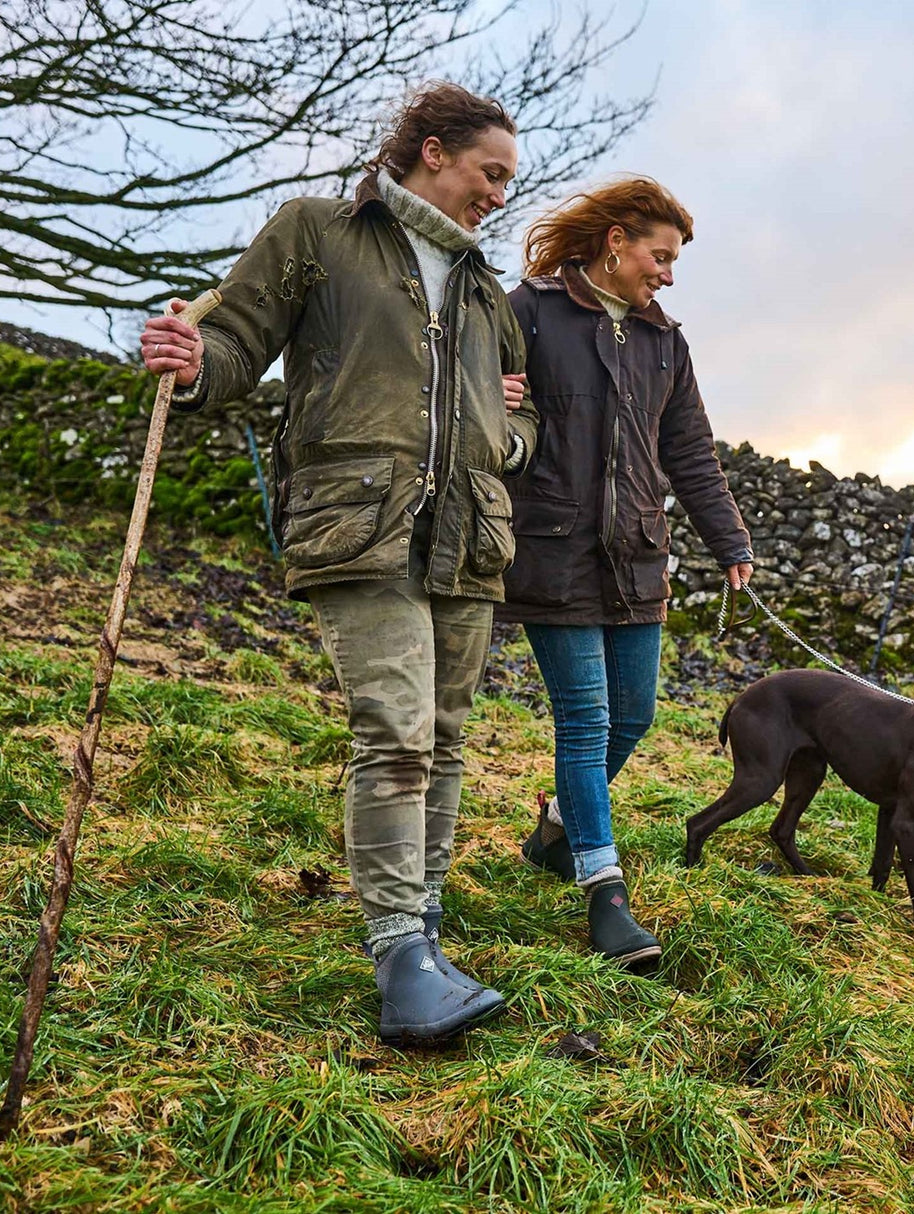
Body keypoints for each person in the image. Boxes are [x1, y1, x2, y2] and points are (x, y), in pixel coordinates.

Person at [138, 82, 538, 1046]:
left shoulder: (485, 289)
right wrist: (193, 364)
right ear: (432, 151)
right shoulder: (317, 230)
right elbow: (237, 341)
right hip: (358, 522)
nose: (499, 195)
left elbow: (518, 408)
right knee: (395, 728)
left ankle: (429, 936)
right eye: (491, 173)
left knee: (444, 735)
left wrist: (508, 436)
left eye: (508, 182)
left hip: (470, 533)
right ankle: (401, 953)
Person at [496, 177, 753, 972]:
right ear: (616, 241)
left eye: (673, 261)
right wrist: (490, 394)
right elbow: (469, 402)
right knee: (584, 722)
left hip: (639, 555)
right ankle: (605, 893)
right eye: (660, 255)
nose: (667, 274)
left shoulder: (664, 343)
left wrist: (729, 540)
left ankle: (558, 824)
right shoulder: (529, 309)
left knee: (634, 716)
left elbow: (690, 454)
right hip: (551, 549)